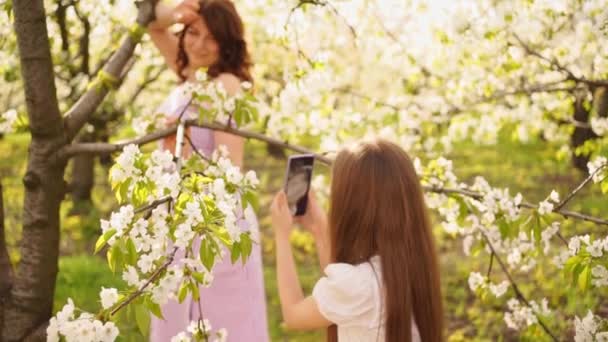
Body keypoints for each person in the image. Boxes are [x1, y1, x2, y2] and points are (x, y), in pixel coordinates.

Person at [147, 1, 269, 341]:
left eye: (211, 38)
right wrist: (180, 12)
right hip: (180, 218)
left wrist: (181, 148)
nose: (199, 45)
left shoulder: (226, 85)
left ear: (227, 43)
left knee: (224, 325)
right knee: (175, 320)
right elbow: (152, 25)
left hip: (217, 225)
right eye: (193, 33)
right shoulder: (190, 74)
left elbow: (231, 171)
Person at [270, 138, 444, 342]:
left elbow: (294, 315)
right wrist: (319, 230)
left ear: (351, 206)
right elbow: (341, 280)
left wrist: (281, 236)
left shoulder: (359, 285)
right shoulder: (408, 263)